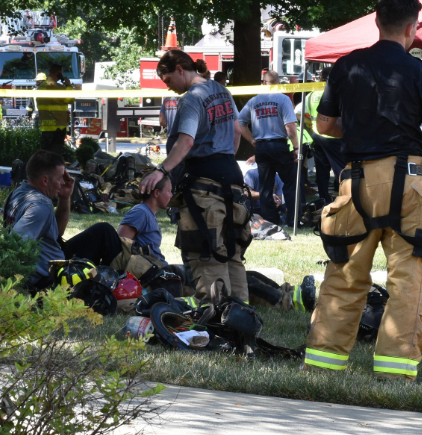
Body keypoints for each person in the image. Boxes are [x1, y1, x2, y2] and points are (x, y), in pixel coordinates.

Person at [305, 0, 422, 380]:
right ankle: (395, 371)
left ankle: (322, 364)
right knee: (408, 280)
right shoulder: (420, 73)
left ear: (376, 22)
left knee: (345, 273)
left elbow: (325, 126)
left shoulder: (346, 66)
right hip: (407, 185)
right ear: (411, 29)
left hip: (356, 182)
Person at [137, 50, 248, 302]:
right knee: (232, 253)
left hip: (204, 184)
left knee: (206, 253)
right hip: (232, 178)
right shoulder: (222, 91)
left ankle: (216, 322)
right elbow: (236, 131)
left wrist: (162, 169)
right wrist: (225, 158)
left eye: (167, 80)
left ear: (179, 69)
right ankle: (241, 316)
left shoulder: (191, 99)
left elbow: (186, 141)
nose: (169, 88)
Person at [4, 150, 124, 290]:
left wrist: (65, 197)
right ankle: (116, 286)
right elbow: (15, 245)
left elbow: (57, 233)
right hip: (52, 278)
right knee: (107, 235)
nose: (63, 182)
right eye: (60, 178)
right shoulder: (40, 206)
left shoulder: (18, 193)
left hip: (55, 261)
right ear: (45, 180)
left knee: (103, 231)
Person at [238, 70, 303, 226]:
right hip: (279, 146)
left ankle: (269, 221)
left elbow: (240, 123)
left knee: (265, 187)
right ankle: (293, 220)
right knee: (291, 182)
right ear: (279, 83)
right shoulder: (283, 99)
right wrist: (296, 147)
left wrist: (253, 141)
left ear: (263, 83)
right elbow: (290, 127)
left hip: (262, 147)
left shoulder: (254, 101)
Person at [301, 65, 345, 203]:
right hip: (335, 136)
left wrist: (312, 125)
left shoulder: (311, 95)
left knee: (322, 169)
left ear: (320, 78)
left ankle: (323, 198)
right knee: (341, 168)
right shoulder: (338, 92)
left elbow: (300, 114)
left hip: (318, 136)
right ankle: (343, 196)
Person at [118, 177, 173, 262]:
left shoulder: (148, 213)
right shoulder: (140, 213)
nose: (171, 195)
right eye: (169, 191)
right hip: (148, 272)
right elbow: (119, 248)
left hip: (158, 266)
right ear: (157, 193)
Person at [38, 64, 75, 152]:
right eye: (61, 73)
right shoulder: (58, 87)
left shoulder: (41, 86)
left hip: (45, 124)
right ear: (58, 73)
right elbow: (70, 99)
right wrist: (68, 85)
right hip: (57, 125)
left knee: (45, 151)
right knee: (55, 153)